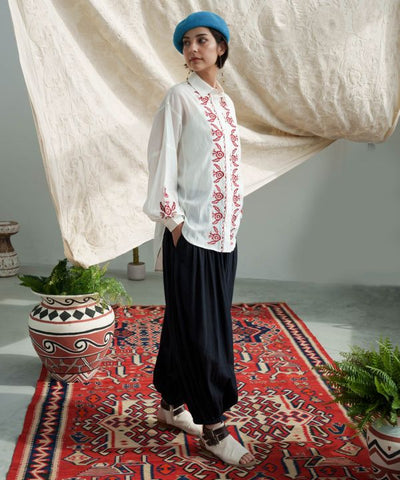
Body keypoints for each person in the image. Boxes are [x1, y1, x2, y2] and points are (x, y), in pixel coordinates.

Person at [143, 11, 256, 467]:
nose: (192, 49)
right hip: (190, 233)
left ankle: (171, 406)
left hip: (224, 234)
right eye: (186, 42)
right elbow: (161, 159)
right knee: (205, 333)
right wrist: (173, 222)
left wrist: (232, 217)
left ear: (221, 47)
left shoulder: (225, 104)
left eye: (202, 40)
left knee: (186, 322)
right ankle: (213, 428)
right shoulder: (179, 97)